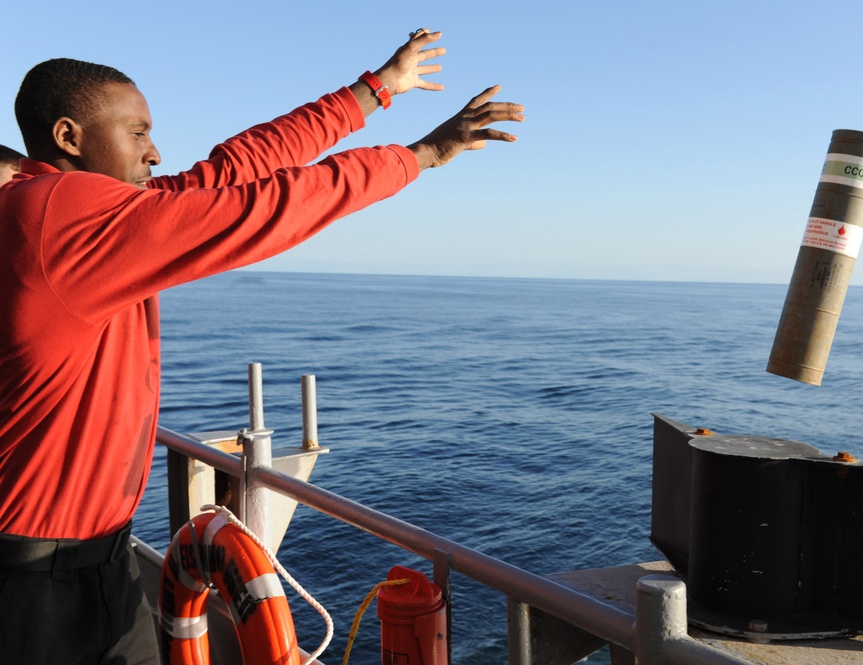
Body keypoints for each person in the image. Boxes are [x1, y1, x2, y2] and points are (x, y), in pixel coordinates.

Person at [0, 29, 523, 664]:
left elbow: (235, 168)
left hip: (85, 561)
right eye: (137, 133)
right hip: (40, 587)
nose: (155, 152)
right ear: (68, 137)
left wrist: (375, 90)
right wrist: (421, 155)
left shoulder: (74, 214)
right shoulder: (66, 217)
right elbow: (269, 206)